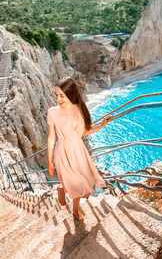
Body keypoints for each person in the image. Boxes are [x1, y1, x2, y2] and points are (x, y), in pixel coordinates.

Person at [47, 77, 112, 220]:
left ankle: (67, 197)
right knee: (78, 184)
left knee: (84, 187)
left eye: (61, 96)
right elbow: (51, 137)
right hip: (63, 152)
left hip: (79, 151)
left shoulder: (80, 109)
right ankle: (69, 200)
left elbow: (84, 133)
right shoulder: (52, 112)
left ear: (70, 94)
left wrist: (101, 125)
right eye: (56, 95)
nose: (58, 99)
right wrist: (49, 161)